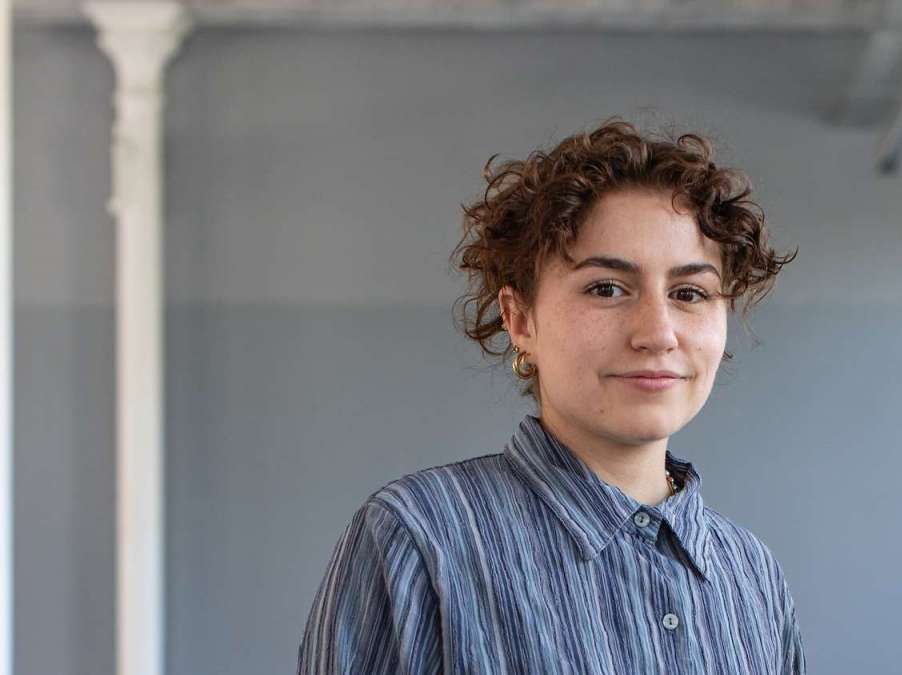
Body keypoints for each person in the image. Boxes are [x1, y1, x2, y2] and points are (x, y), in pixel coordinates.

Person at [297, 117, 805, 674]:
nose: (658, 333)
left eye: (690, 293)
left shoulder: (752, 574)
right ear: (520, 319)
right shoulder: (417, 538)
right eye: (606, 288)